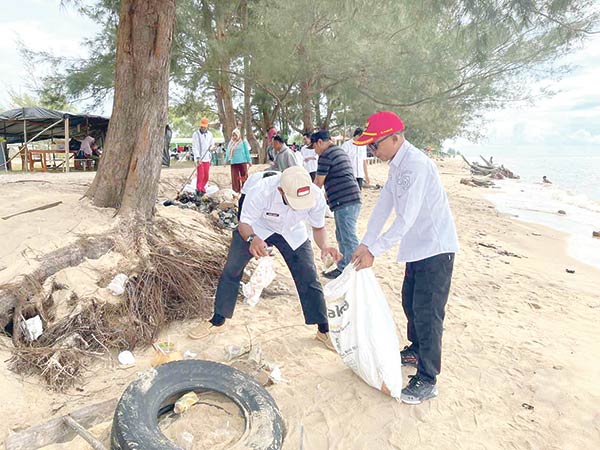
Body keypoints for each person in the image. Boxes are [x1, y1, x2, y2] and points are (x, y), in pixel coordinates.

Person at [351, 111, 459, 405]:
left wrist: (376, 250)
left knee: (428, 312)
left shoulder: (415, 165)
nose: (373, 151)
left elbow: (406, 218)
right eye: (370, 147)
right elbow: (384, 206)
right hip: (417, 249)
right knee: (410, 301)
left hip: (436, 249)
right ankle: (415, 349)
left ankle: (427, 378)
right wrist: (365, 242)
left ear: (396, 138)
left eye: (376, 145)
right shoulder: (397, 166)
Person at [188, 166, 342, 350]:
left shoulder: (315, 196)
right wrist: (253, 239)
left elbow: (318, 227)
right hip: (257, 227)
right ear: (280, 190)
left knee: (308, 275)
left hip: (292, 231)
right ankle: (217, 320)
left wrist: (324, 246)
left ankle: (323, 330)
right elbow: (244, 223)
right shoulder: (261, 191)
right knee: (232, 269)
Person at [311, 129, 361, 279]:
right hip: (351, 198)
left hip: (345, 200)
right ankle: (343, 267)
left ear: (320, 142)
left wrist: (307, 199)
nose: (315, 151)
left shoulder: (326, 155)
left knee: (348, 236)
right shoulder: (339, 151)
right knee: (341, 234)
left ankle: (354, 272)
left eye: (314, 147)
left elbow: (318, 182)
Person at [192, 117, 215, 196]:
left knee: (206, 175)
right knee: (200, 174)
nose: (203, 128)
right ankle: (198, 189)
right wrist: (197, 157)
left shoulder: (210, 134)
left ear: (207, 126)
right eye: (202, 127)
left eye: (204, 127)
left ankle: (203, 187)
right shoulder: (196, 134)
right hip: (199, 158)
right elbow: (195, 147)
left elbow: (212, 144)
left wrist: (212, 148)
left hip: (207, 158)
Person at [226, 128, 252, 193]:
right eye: (233, 135)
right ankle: (236, 191)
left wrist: (249, 161)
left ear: (238, 135)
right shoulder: (230, 143)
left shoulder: (243, 142)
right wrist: (226, 160)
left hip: (242, 162)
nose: (234, 137)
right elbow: (228, 152)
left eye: (235, 135)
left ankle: (245, 190)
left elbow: (247, 152)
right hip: (234, 162)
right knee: (235, 178)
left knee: (244, 176)